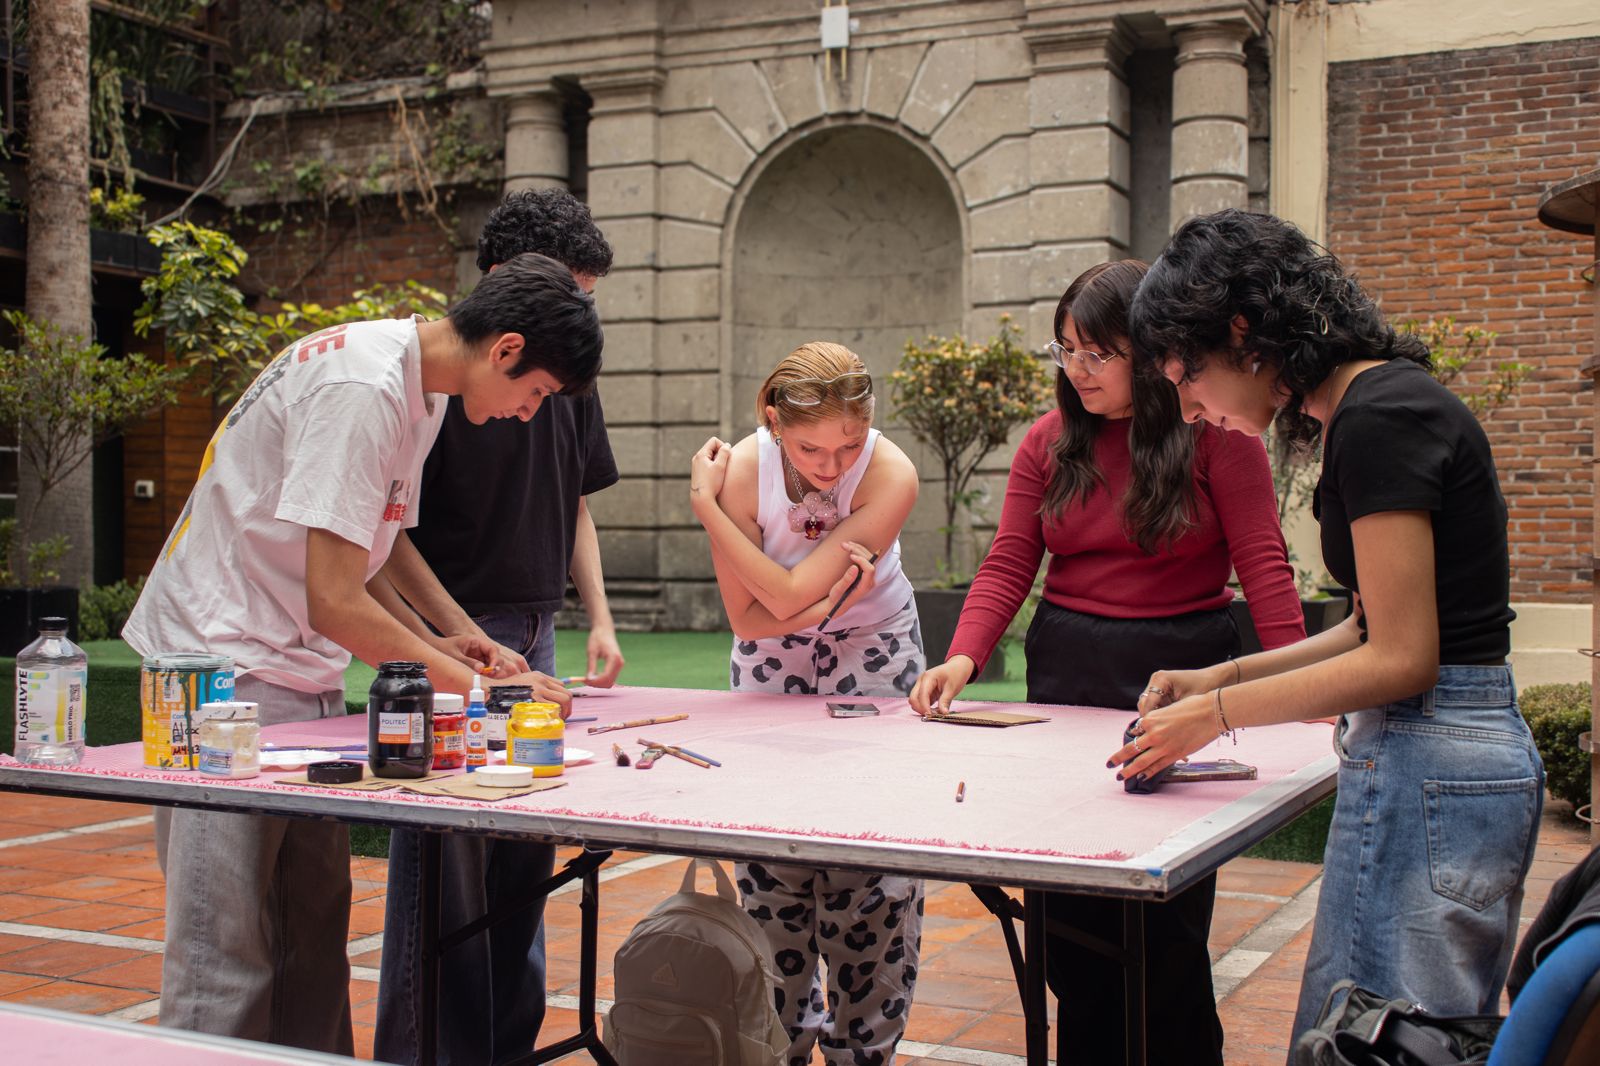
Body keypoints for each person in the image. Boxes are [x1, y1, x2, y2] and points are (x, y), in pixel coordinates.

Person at [123, 253, 599, 1052]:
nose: (528, 413)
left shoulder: (416, 386)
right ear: (507, 349)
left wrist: (455, 635)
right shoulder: (364, 389)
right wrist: (486, 696)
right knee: (226, 949)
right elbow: (335, 599)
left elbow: (377, 537)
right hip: (218, 672)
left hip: (291, 663)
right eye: (537, 394)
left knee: (313, 935)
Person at [1114, 209, 1543, 1053]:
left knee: (1379, 1046)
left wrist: (1216, 719)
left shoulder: (1379, 413)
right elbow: (1366, 627)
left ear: (1242, 333)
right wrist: (1220, 680)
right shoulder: (1371, 405)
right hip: (1439, 759)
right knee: (1368, 1038)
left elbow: (1403, 657)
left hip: (1435, 756)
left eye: (1187, 378)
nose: (1193, 410)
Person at [909, 259, 1306, 1066]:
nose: (1078, 372)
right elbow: (1010, 559)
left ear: (1150, 351)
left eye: (1099, 353)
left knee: (1164, 920)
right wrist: (962, 657)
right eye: (1066, 353)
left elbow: (1264, 565)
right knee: (1067, 919)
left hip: (1181, 678)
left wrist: (1301, 687)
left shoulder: (1216, 436)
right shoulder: (1049, 442)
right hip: (1068, 669)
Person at [374, 189, 623, 1066]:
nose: (579, 313)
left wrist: (596, 614)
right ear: (504, 287)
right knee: (445, 870)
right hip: (454, 632)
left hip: (531, 632)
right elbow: (383, 537)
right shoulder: (435, 379)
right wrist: (441, 646)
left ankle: (504, 1049)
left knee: (522, 862)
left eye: (586, 298)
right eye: (569, 290)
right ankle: (431, 1052)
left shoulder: (565, 372)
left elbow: (577, 501)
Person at [689, 341, 923, 1066]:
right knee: (768, 853)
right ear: (773, 423)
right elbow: (748, 622)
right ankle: (779, 1037)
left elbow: (779, 598)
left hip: (876, 645)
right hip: (771, 658)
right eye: (811, 448)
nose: (831, 466)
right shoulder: (744, 473)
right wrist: (804, 603)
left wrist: (706, 511)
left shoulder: (892, 473)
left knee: (874, 863)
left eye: (848, 444)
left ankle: (865, 1047)